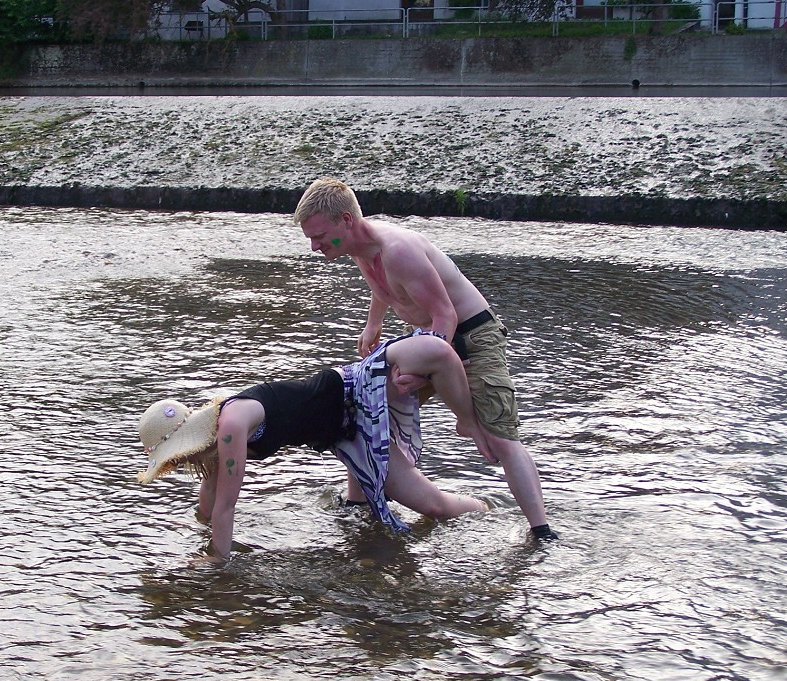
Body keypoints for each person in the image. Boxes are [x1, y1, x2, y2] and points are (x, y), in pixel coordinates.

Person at [293, 177, 559, 542]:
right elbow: (385, 289)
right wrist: (373, 327)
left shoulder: (398, 250)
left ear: (346, 221)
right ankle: (358, 503)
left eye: (319, 236)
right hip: (431, 341)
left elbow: (445, 315)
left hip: (472, 339)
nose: (314, 246)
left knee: (500, 437)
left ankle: (541, 530)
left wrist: (425, 371)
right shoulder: (358, 248)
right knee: (364, 404)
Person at [137, 333, 489, 561]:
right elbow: (210, 500)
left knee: (434, 507)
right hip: (340, 433)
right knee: (380, 514)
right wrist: (198, 529)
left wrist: (217, 559)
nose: (181, 466)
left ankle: (487, 515)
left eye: (175, 460)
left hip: (355, 399)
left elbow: (227, 505)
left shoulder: (229, 429)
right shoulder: (216, 441)